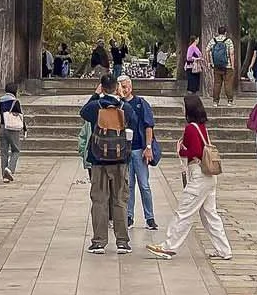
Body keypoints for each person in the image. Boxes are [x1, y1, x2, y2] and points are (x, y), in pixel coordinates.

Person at [149, 93, 232, 261]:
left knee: (184, 211)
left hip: (198, 175)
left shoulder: (190, 128)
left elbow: (194, 152)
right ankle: (224, 249)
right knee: (210, 214)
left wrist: (181, 150)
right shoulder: (202, 127)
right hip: (209, 176)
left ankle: (169, 246)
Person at [81, 74, 134, 253]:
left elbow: (83, 112)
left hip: (98, 159)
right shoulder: (124, 107)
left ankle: (99, 241)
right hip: (120, 159)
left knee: (99, 200)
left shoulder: (96, 107)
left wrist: (96, 95)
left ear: (102, 87)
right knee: (120, 200)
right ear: (116, 88)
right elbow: (133, 122)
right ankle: (122, 241)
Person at [119, 75, 159, 230]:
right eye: (122, 86)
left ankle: (150, 217)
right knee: (128, 185)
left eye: (127, 85)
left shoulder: (141, 103)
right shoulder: (118, 104)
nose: (125, 88)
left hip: (139, 148)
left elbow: (148, 126)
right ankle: (129, 216)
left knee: (144, 185)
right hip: (125, 150)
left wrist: (148, 147)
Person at [0, 82, 25, 182]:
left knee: (4, 152)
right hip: (12, 128)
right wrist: (24, 128)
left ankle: (4, 175)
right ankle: (10, 169)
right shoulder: (15, 102)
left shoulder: (0, 101)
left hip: (2, 127)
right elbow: (20, 116)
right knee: (16, 150)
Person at [209, 28, 235, 105]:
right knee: (228, 83)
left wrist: (209, 62)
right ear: (225, 33)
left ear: (218, 32)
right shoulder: (228, 41)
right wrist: (232, 65)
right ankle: (230, 101)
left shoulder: (213, 40)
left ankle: (215, 101)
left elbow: (207, 50)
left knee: (217, 83)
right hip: (227, 65)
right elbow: (232, 53)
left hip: (216, 65)